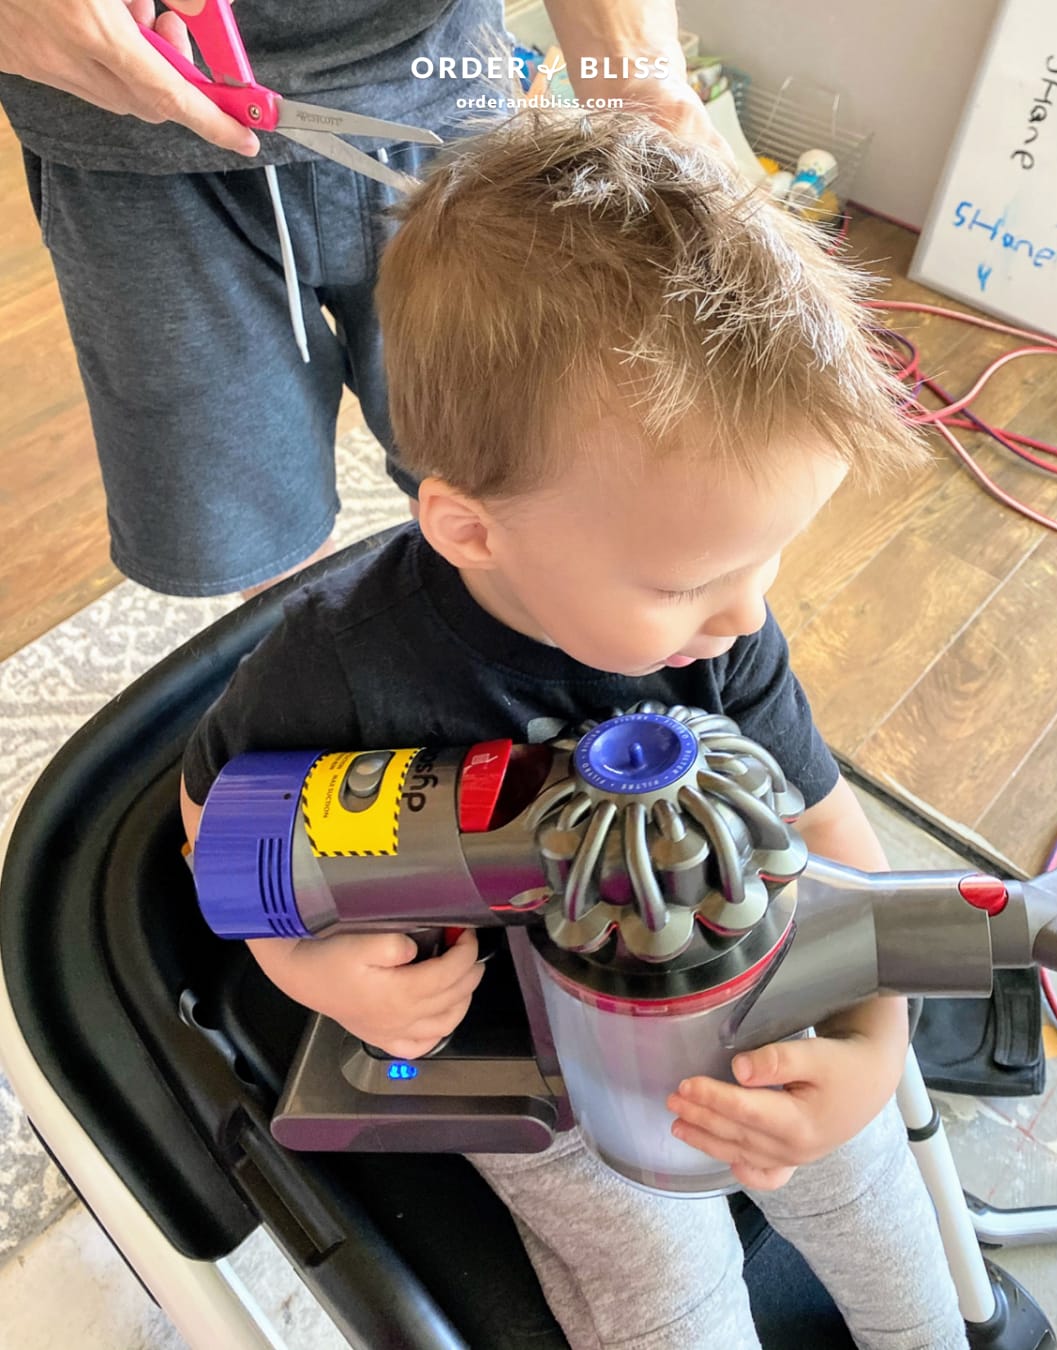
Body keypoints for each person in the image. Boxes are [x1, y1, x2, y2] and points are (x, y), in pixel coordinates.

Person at [178, 111, 967, 1348]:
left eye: (767, 560)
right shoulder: (341, 659)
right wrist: (310, 972)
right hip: (525, 1069)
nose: (746, 612)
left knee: (863, 1165)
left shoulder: (723, 633)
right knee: (666, 1279)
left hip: (733, 988)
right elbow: (216, 824)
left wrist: (870, 1047)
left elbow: (826, 829)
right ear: (472, 529)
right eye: (683, 581)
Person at [0, 0, 725, 597]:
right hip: (118, 123)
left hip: (445, 94)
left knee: (510, 481)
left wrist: (638, 81)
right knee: (259, 531)